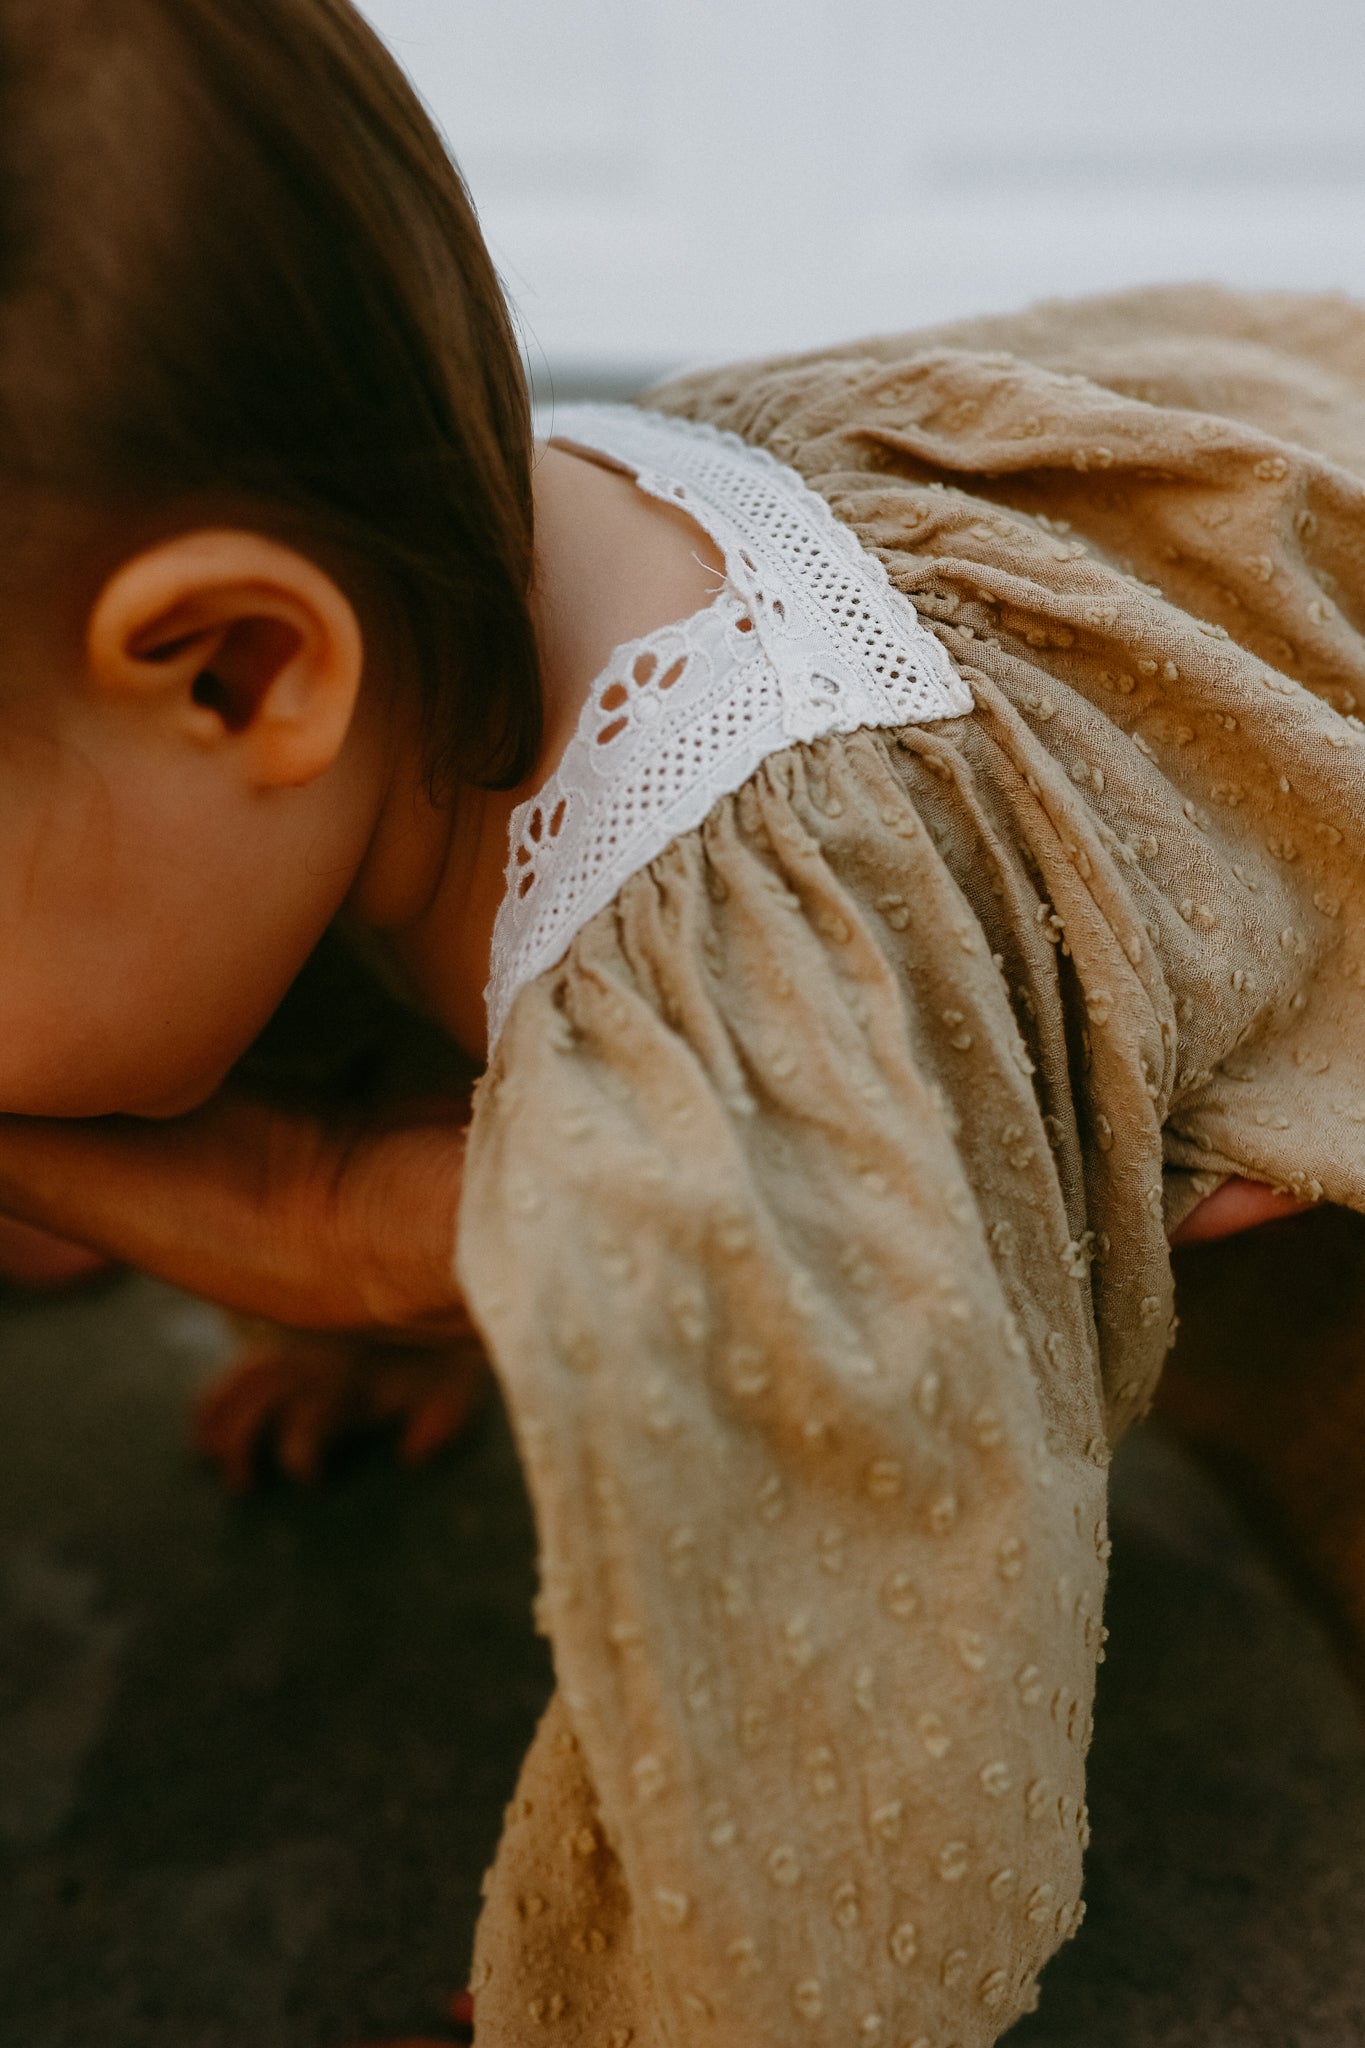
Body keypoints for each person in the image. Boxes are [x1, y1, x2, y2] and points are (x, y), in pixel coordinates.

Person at [0, 1, 1362, 2042]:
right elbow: (242, 907)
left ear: (236, 673)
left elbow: (872, 1704)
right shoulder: (449, 582)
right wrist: (363, 1272)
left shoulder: (730, 1113)